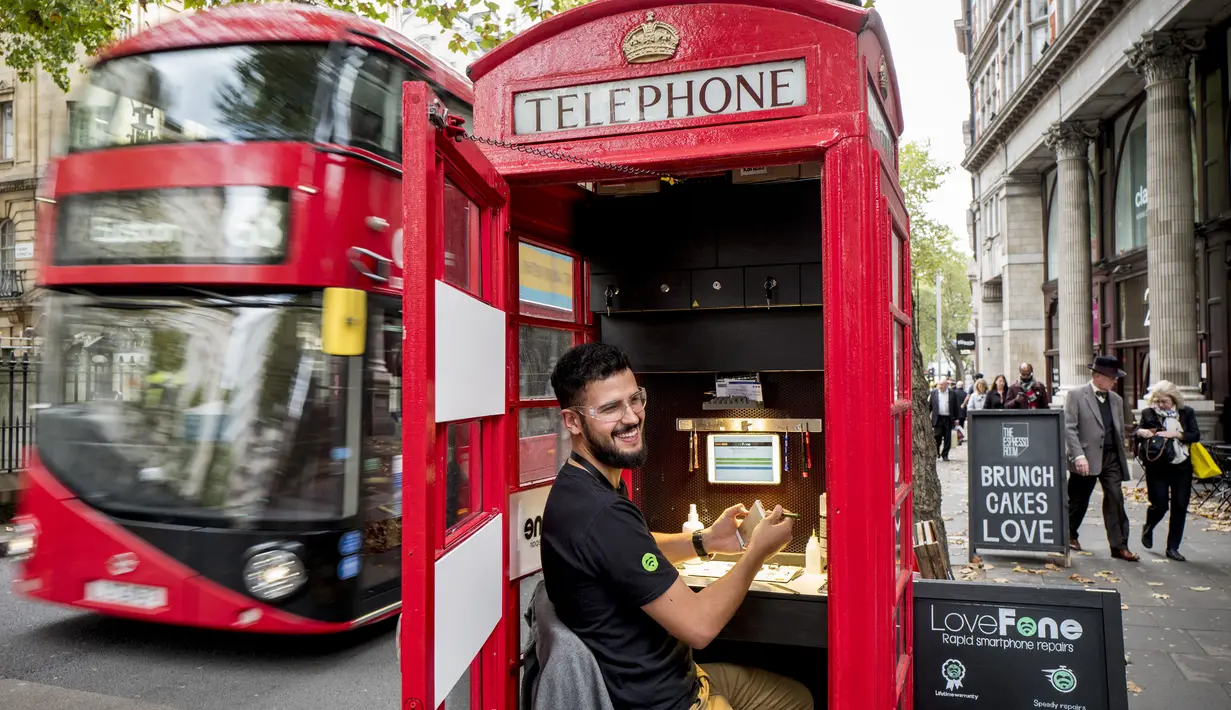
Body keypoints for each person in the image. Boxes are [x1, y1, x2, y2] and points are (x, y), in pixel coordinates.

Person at [541, 342, 813, 710]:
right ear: (572, 421)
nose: (632, 417)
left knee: (796, 696)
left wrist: (705, 540)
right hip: (667, 701)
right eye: (610, 409)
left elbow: (631, 551)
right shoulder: (601, 514)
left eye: (634, 399)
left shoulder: (581, 486)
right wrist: (758, 553)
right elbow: (700, 627)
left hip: (678, 676)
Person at [1064, 355, 1138, 561]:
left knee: (1115, 498)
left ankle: (1119, 546)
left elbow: (1119, 429)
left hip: (1111, 456)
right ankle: (1069, 533)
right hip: (1085, 457)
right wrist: (1078, 455)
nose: (1115, 381)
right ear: (1097, 376)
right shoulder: (1076, 395)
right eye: (1112, 377)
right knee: (1078, 499)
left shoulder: (1116, 400)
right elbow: (1069, 429)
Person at [1135, 380, 1200, 561]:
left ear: (1174, 399)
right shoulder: (1148, 413)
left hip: (1182, 465)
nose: (1159, 405)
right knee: (1160, 504)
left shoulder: (1187, 413)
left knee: (1180, 506)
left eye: (1163, 401)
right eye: (1156, 401)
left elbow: (1195, 434)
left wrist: (1177, 434)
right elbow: (1137, 433)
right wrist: (1141, 433)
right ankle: (1149, 526)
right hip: (1157, 466)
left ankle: (1173, 547)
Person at [929, 377, 960, 462]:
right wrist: (928, 415)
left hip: (948, 418)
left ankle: (945, 455)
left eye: (942, 384)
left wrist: (956, 418)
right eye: (939, 384)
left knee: (947, 438)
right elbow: (930, 405)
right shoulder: (934, 393)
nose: (940, 386)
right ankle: (937, 451)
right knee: (937, 436)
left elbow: (955, 407)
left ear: (947, 385)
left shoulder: (952, 393)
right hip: (938, 418)